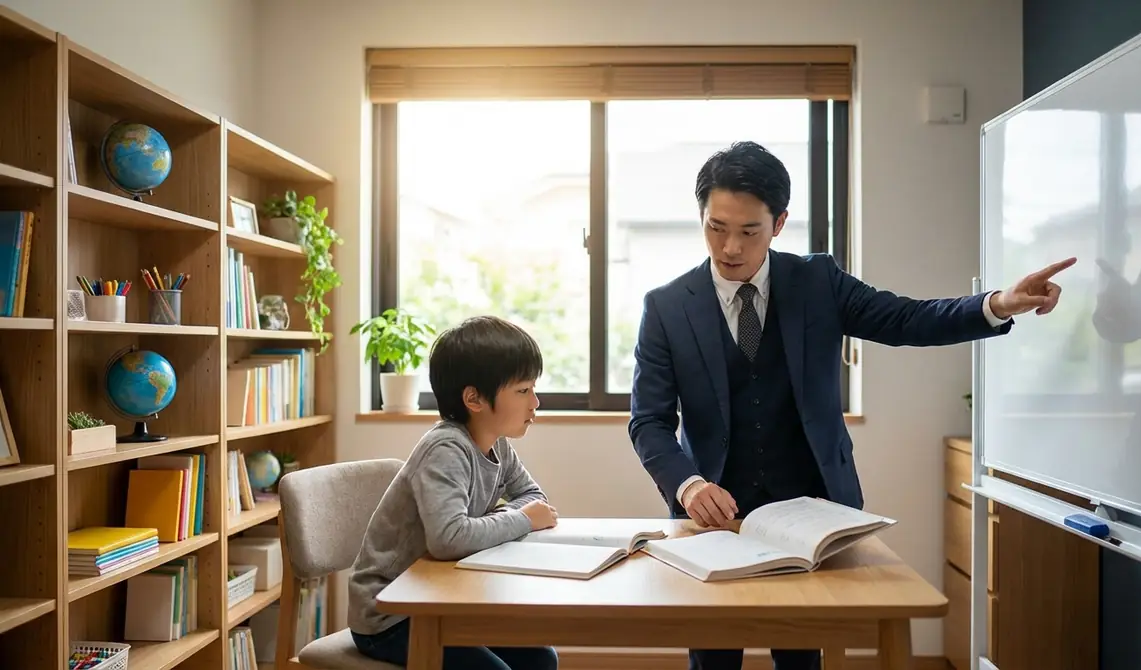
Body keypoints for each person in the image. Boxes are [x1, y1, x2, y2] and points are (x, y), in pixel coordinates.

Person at [628, 141, 1075, 670]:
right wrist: (689, 484)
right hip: (713, 515)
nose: (729, 247)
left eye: (748, 231)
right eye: (715, 227)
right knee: (714, 657)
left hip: (811, 509)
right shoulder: (666, 307)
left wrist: (996, 304)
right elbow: (650, 421)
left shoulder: (817, 282)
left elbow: (908, 319)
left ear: (779, 223)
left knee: (802, 654)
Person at [348, 315, 560, 670]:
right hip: (390, 615)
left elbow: (533, 496)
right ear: (474, 399)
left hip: (439, 599)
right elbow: (449, 538)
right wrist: (520, 520)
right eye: (523, 391)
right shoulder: (445, 449)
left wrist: (502, 520)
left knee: (541, 659)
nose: (535, 402)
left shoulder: (498, 445)